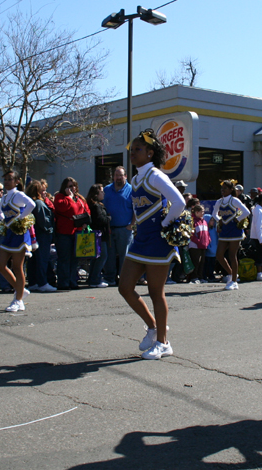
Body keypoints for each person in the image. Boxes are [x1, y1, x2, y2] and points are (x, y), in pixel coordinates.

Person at [117, 129, 186, 360]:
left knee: (156, 292)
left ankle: (163, 343)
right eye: (132, 149)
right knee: (124, 287)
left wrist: (165, 223)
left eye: (138, 150)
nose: (133, 153)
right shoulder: (135, 178)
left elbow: (179, 202)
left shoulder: (156, 176)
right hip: (140, 240)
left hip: (158, 241)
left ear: (150, 153)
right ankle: (153, 327)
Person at [0, 170, 36, 312]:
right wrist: (4, 220)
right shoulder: (5, 196)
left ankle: (18, 300)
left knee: (17, 266)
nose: (6, 182)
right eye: (5, 179)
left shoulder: (18, 195)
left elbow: (32, 204)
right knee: (0, 265)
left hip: (19, 234)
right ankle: (20, 289)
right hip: (9, 233)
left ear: (17, 181)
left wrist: (20, 218)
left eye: (10, 179)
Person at [54, 177, 89, 291]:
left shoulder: (79, 198)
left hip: (77, 232)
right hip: (64, 232)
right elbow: (61, 208)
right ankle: (63, 282)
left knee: (74, 259)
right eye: (69, 186)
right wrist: (69, 198)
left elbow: (86, 210)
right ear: (64, 187)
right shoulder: (60, 197)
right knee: (64, 258)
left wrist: (84, 223)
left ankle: (72, 281)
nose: (72, 188)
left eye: (73, 186)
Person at [215, 179, 250, 291]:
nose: (223, 190)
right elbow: (214, 213)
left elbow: (246, 212)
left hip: (235, 231)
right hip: (225, 230)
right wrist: (218, 220)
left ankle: (234, 281)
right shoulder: (219, 202)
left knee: (232, 255)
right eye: (222, 188)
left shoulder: (234, 200)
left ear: (231, 190)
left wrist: (237, 219)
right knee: (219, 255)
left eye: (225, 188)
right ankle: (232, 274)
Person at [102, 167, 134, 286]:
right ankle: (109, 278)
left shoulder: (131, 190)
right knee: (109, 255)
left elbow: (136, 209)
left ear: (125, 176)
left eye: (120, 175)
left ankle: (124, 279)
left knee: (124, 256)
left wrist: (132, 224)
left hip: (125, 228)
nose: (118, 177)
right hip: (110, 229)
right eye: (116, 175)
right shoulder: (107, 189)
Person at [26, 180, 55, 292]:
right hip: (42, 235)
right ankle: (42, 282)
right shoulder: (38, 203)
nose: (45, 192)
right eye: (43, 190)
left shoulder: (31, 203)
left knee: (33, 261)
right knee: (42, 259)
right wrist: (50, 229)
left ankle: (33, 282)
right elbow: (44, 221)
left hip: (34, 235)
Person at [85, 184, 110, 288]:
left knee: (96, 257)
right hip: (99, 235)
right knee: (102, 256)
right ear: (96, 194)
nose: (103, 193)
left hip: (98, 235)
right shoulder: (95, 206)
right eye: (101, 192)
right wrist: (108, 218)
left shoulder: (97, 205)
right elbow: (99, 220)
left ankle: (93, 278)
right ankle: (95, 279)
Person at [187, 204, 210, 284]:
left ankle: (200, 277)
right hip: (195, 246)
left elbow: (207, 233)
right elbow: (191, 235)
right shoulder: (193, 221)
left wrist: (208, 240)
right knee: (195, 262)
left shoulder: (204, 221)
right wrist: (199, 242)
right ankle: (193, 278)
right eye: (202, 211)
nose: (203, 213)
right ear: (197, 212)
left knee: (202, 262)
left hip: (203, 245)